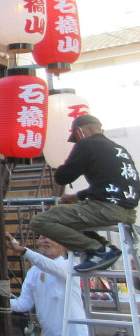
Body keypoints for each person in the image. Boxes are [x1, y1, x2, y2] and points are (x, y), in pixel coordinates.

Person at [30, 114, 138, 272]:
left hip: (106, 209)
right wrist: (76, 196)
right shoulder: (119, 150)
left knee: (40, 222)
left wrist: (63, 163)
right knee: (67, 217)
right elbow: (109, 185)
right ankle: (105, 246)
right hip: (128, 212)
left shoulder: (87, 145)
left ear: (79, 132)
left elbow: (63, 177)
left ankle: (98, 250)